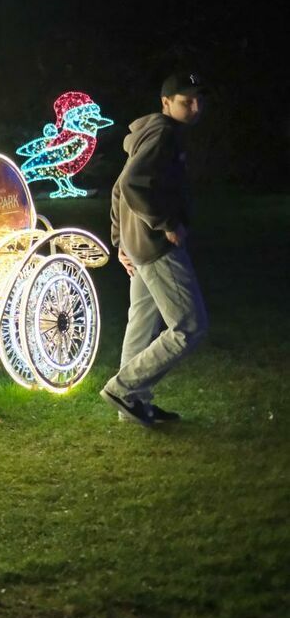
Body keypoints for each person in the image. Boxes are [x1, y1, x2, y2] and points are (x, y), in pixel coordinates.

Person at [101, 72, 209, 427]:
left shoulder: (153, 132)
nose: (195, 108)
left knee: (142, 323)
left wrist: (119, 240)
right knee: (190, 325)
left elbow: (119, 186)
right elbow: (132, 184)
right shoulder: (163, 134)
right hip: (155, 245)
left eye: (198, 100)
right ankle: (124, 388)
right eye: (185, 101)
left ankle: (132, 408)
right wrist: (167, 223)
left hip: (137, 244)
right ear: (166, 103)